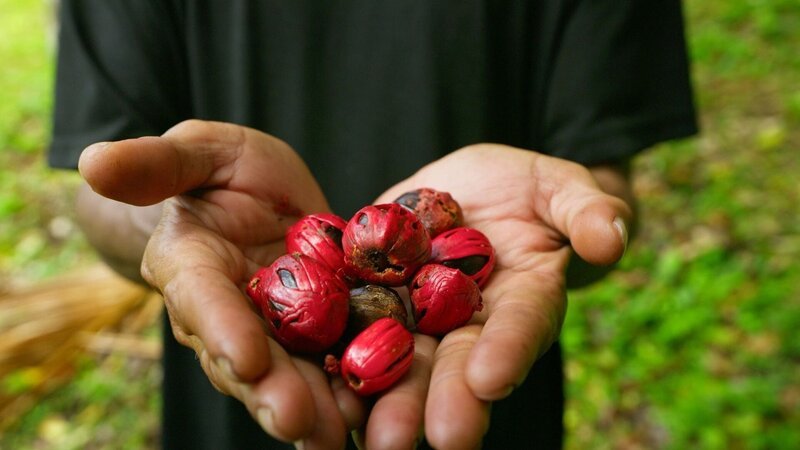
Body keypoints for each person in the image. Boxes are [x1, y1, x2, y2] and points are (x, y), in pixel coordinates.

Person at [48, 1, 697, 449]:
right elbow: (104, 193)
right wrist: (180, 221)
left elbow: (600, 179)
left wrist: (574, 220)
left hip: (490, 394)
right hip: (233, 413)